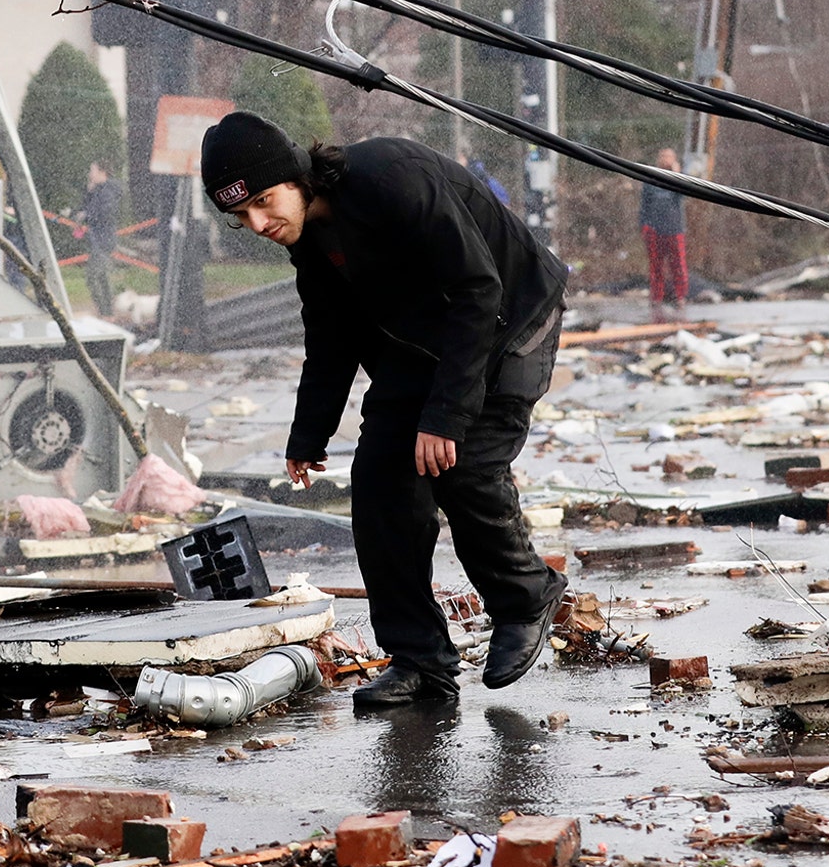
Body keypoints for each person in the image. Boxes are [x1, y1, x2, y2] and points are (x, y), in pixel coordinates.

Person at [200, 112, 569, 709]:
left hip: (509, 318)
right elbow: (330, 336)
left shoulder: (392, 179)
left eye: (265, 202)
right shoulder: (311, 244)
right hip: (423, 342)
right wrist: (308, 433)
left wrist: (445, 417)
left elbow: (479, 290)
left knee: (464, 464)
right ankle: (420, 659)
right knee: (379, 486)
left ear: (297, 175)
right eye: (242, 217)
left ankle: (527, 596)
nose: (259, 224)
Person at [638, 147, 689, 323]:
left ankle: (680, 296)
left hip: (675, 228)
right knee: (656, 266)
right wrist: (644, 225)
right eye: (663, 157)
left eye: (669, 157)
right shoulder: (651, 178)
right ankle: (657, 298)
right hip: (654, 229)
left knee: (678, 265)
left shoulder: (680, 178)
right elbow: (644, 205)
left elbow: (683, 196)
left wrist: (678, 175)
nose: (665, 160)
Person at [79, 160, 123, 317]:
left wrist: (88, 216)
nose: (90, 174)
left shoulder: (108, 192)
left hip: (103, 241)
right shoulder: (97, 191)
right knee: (102, 277)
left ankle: (106, 311)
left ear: (102, 172)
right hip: (96, 240)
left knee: (94, 277)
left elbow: (105, 214)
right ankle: (107, 311)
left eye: (93, 171)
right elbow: (87, 207)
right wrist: (89, 193)